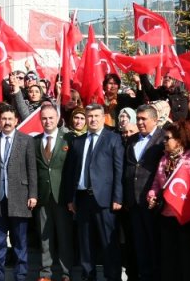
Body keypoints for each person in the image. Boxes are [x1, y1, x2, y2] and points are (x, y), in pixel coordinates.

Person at [62, 103, 122, 281]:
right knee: (85, 244)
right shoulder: (78, 142)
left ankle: (113, 277)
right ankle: (88, 276)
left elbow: (118, 170)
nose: (93, 119)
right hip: (82, 199)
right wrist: (70, 199)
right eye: (90, 116)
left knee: (108, 243)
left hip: (105, 200)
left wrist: (118, 197)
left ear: (103, 117)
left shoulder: (113, 139)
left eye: (96, 116)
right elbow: (70, 172)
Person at [0, 104, 37, 281]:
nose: (6, 122)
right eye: (4, 119)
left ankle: (20, 276)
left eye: (10, 119)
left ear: (16, 121)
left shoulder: (26, 141)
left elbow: (32, 169)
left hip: (20, 197)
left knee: (20, 241)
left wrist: (33, 194)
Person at [146, 122, 190, 281]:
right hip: (166, 215)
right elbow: (156, 183)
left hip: (184, 216)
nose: (164, 141)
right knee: (169, 258)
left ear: (179, 140)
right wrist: (152, 194)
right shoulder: (164, 159)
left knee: (186, 258)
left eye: (167, 138)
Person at [122, 104, 165, 281]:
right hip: (134, 202)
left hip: (153, 203)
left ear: (155, 120)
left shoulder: (163, 139)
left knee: (155, 245)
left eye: (143, 119)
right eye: (138, 119)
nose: (139, 122)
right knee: (139, 245)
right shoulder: (132, 140)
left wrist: (158, 196)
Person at [32, 103, 73, 281]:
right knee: (44, 236)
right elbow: (33, 170)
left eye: (51, 118)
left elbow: (72, 169)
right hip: (42, 196)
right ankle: (45, 273)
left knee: (64, 236)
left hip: (62, 196)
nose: (48, 121)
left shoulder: (69, 138)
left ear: (58, 118)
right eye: (44, 118)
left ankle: (66, 273)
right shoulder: (34, 141)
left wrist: (71, 197)